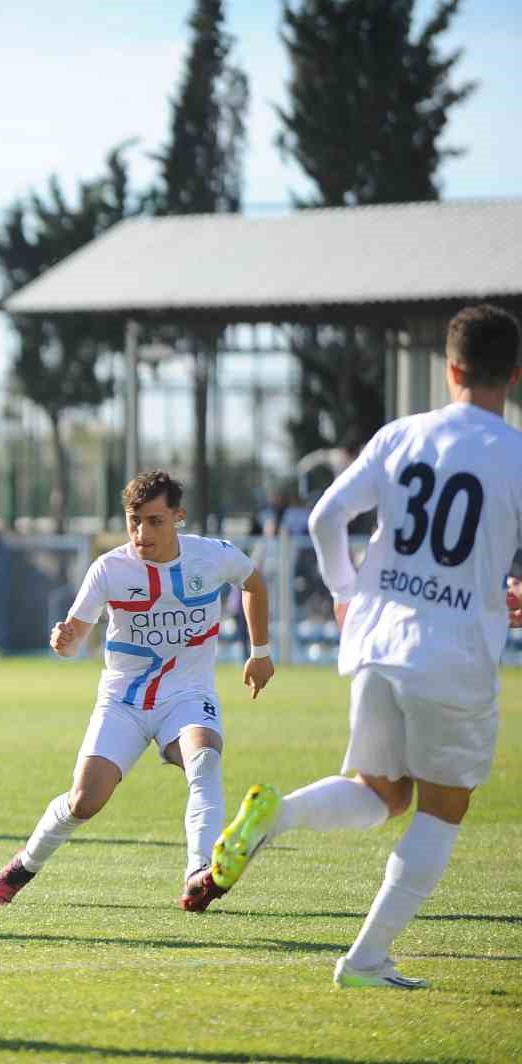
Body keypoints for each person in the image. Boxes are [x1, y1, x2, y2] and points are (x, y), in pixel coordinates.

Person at [211, 304, 522, 990]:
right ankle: (366, 958)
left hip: (378, 641)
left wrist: (348, 593)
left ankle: (277, 817)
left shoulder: (401, 435)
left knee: (381, 793)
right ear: (516, 375)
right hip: (454, 654)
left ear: (451, 368)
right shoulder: (515, 455)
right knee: (445, 807)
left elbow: (326, 517)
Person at [0, 470, 275, 913]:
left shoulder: (213, 557)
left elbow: (253, 583)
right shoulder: (109, 569)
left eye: (155, 521)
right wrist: (63, 642)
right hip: (124, 701)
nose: (142, 532)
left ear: (178, 517)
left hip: (187, 694)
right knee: (84, 801)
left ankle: (199, 875)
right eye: (134, 520)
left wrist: (261, 651)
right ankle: (23, 866)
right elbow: (74, 638)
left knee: (205, 760)